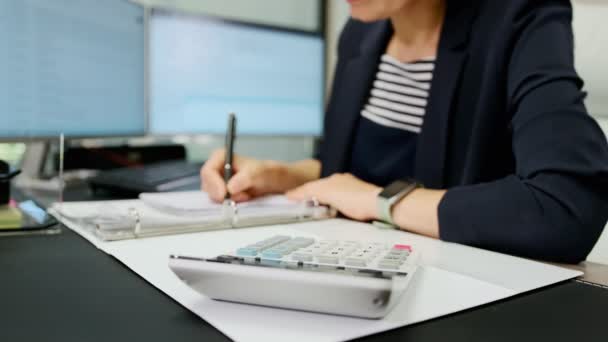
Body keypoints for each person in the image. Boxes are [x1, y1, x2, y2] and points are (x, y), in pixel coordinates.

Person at [201, 0, 608, 264]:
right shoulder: (361, 32)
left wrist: (379, 203)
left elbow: (565, 205)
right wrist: (280, 175)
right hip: (359, 267)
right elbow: (347, 171)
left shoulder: (521, 15)